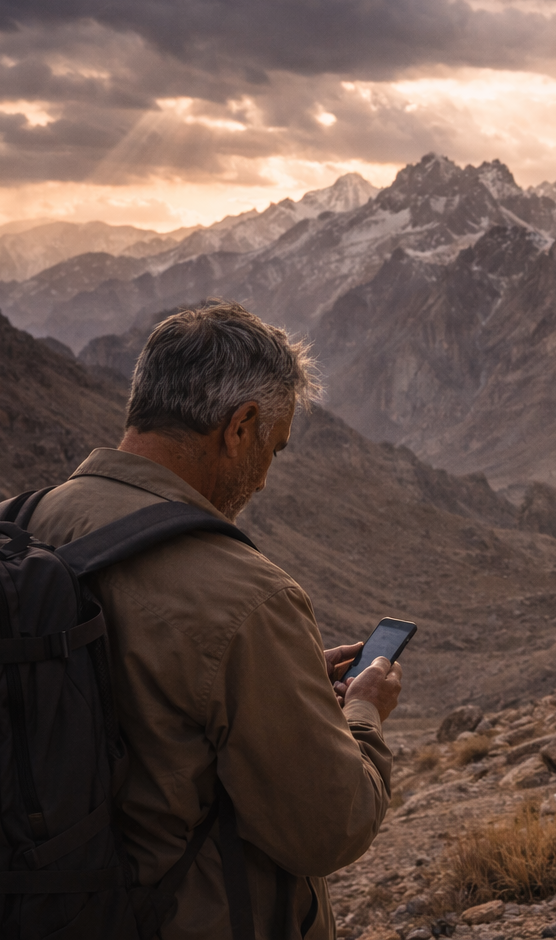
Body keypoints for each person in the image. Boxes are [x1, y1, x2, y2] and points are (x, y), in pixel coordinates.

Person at [30, 302, 400, 939]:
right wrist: (361, 714)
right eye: (273, 450)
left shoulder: (18, 525)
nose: (261, 480)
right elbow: (329, 827)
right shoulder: (246, 598)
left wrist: (281, 687)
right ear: (241, 426)